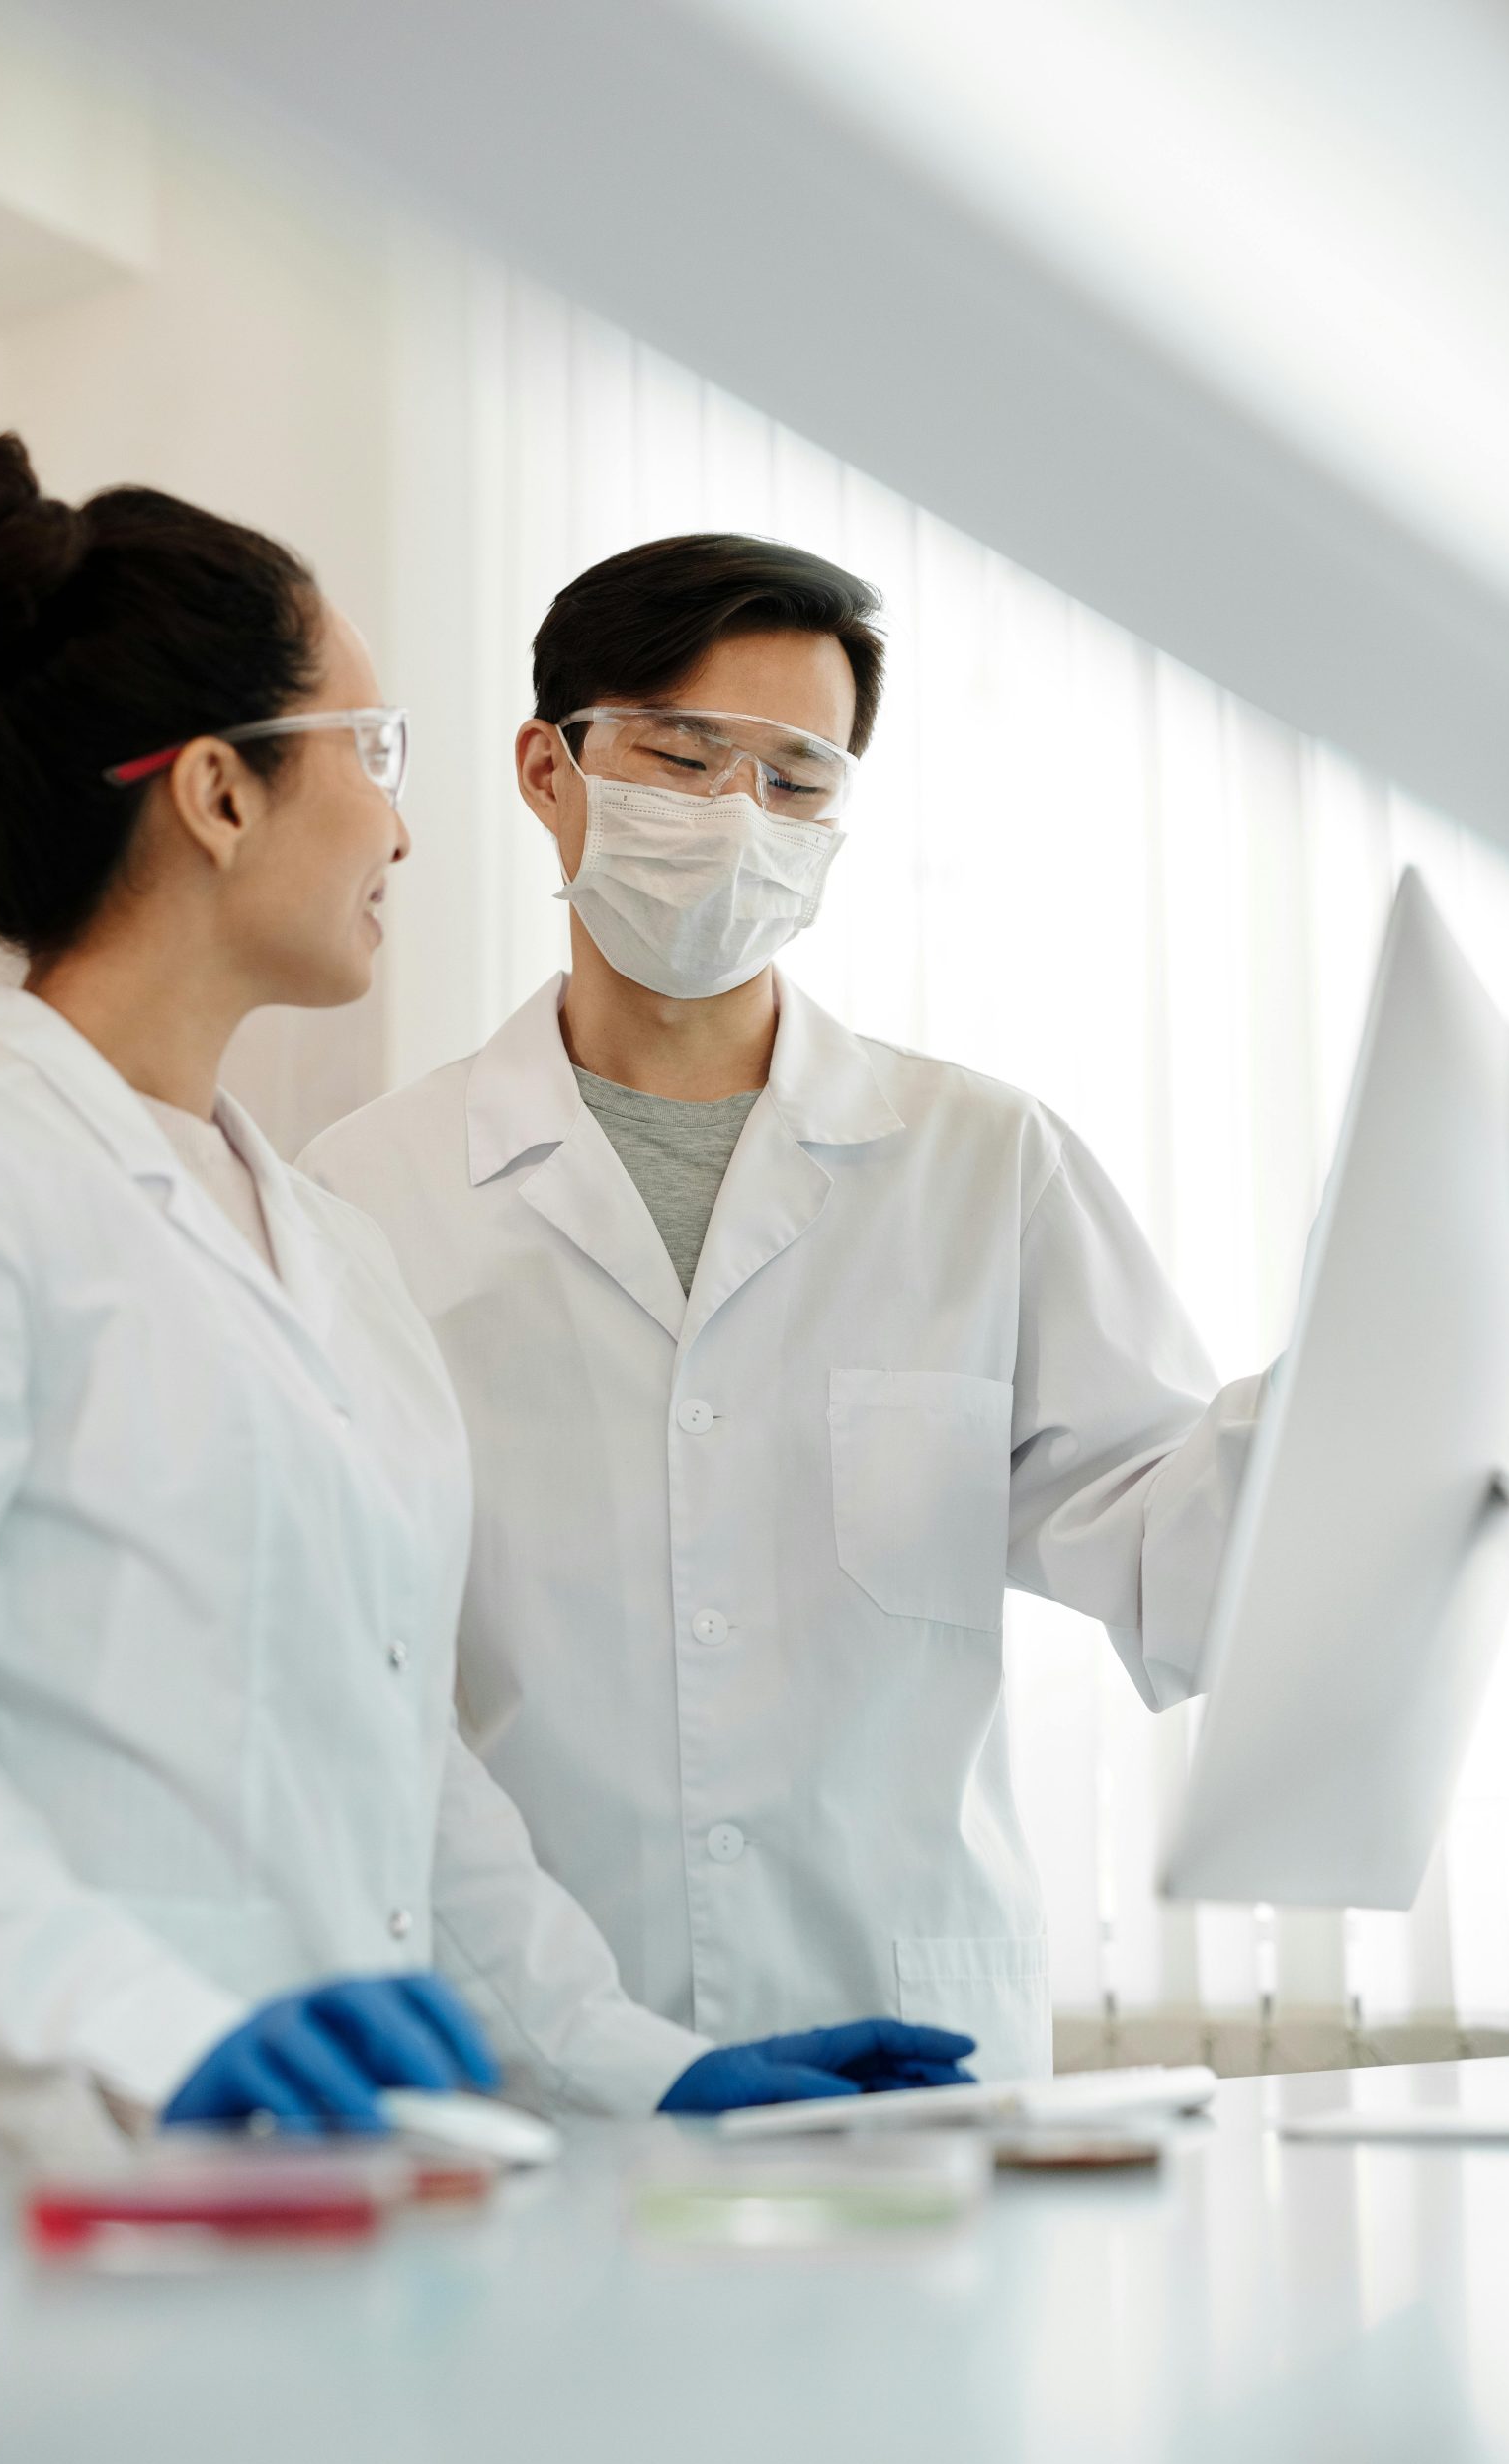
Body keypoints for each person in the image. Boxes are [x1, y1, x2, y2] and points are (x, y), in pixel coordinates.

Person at [0, 456, 974, 2182]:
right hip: (17, 2193)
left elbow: (410, 1774)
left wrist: (647, 2071)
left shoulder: (325, 1244)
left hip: (311, 2195)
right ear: (217, 794)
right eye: (374, 754)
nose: (406, 825)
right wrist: (169, 2035)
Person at [301, 533, 1269, 2082]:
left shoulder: (980, 1165)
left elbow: (1180, 1553)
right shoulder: (366, 1197)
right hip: (549, 2055)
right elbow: (350, 1684)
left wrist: (1381, 1388)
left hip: (913, 2042)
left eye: (798, 783)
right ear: (549, 770)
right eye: (684, 757)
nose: (739, 820)